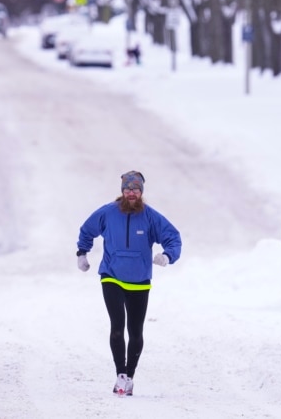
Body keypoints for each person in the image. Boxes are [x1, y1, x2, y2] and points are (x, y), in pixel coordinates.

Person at [76, 170, 182, 396]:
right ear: (122, 191)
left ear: (141, 192)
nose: (131, 193)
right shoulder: (107, 213)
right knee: (117, 327)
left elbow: (173, 236)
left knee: (135, 332)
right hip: (111, 276)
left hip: (139, 280)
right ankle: (120, 375)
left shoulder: (151, 217)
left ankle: (130, 376)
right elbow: (87, 230)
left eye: (135, 189)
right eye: (127, 189)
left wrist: (167, 256)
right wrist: (82, 253)